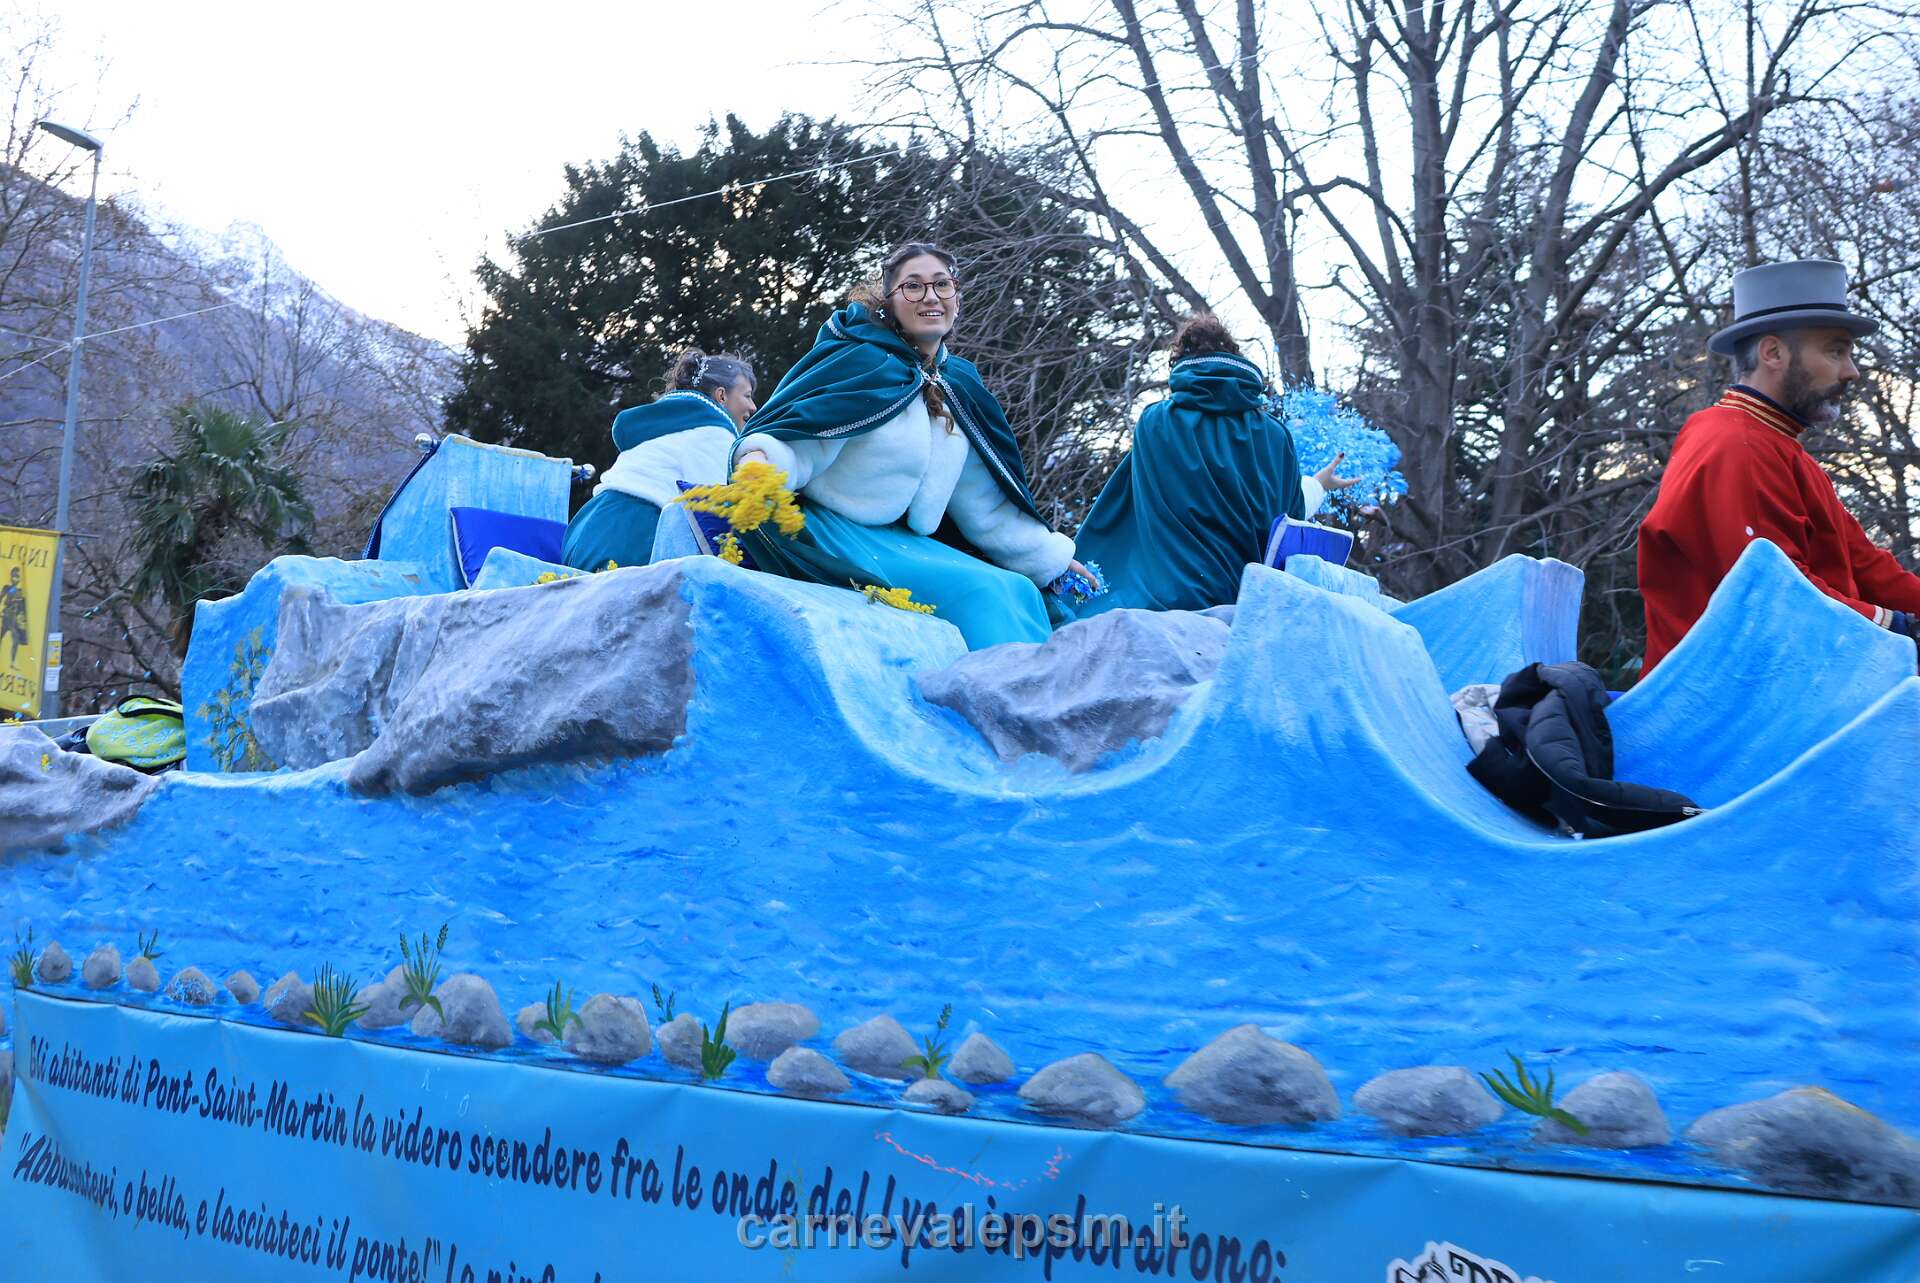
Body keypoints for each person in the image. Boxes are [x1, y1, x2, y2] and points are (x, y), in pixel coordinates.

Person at [729, 242, 1095, 649]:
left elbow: (983, 505)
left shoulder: (958, 385)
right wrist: (760, 465)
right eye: (913, 286)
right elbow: (800, 443)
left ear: (957, 299)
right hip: (836, 532)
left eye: (942, 284)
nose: (930, 297)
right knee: (985, 594)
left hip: (906, 542)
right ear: (890, 301)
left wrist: (1050, 560)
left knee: (1018, 589)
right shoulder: (859, 362)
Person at [1637, 259, 1920, 672]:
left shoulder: (1773, 444)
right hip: (1721, 699)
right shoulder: (1736, 446)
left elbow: (1866, 565)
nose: (1852, 372)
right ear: (1773, 353)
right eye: (1835, 351)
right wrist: (1900, 627)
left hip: (1773, 688)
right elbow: (1778, 597)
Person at [1072, 314, 1359, 614]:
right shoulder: (1275, 435)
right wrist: (1318, 485)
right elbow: (1288, 520)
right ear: (1235, 358)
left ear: (1180, 363)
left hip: (1166, 603)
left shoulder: (1155, 423)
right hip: (1245, 602)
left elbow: (1129, 506)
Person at [560, 349, 756, 572]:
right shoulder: (714, 431)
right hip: (630, 533)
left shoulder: (667, 427)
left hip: (583, 532)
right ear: (721, 396)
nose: (753, 407)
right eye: (747, 396)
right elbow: (718, 515)